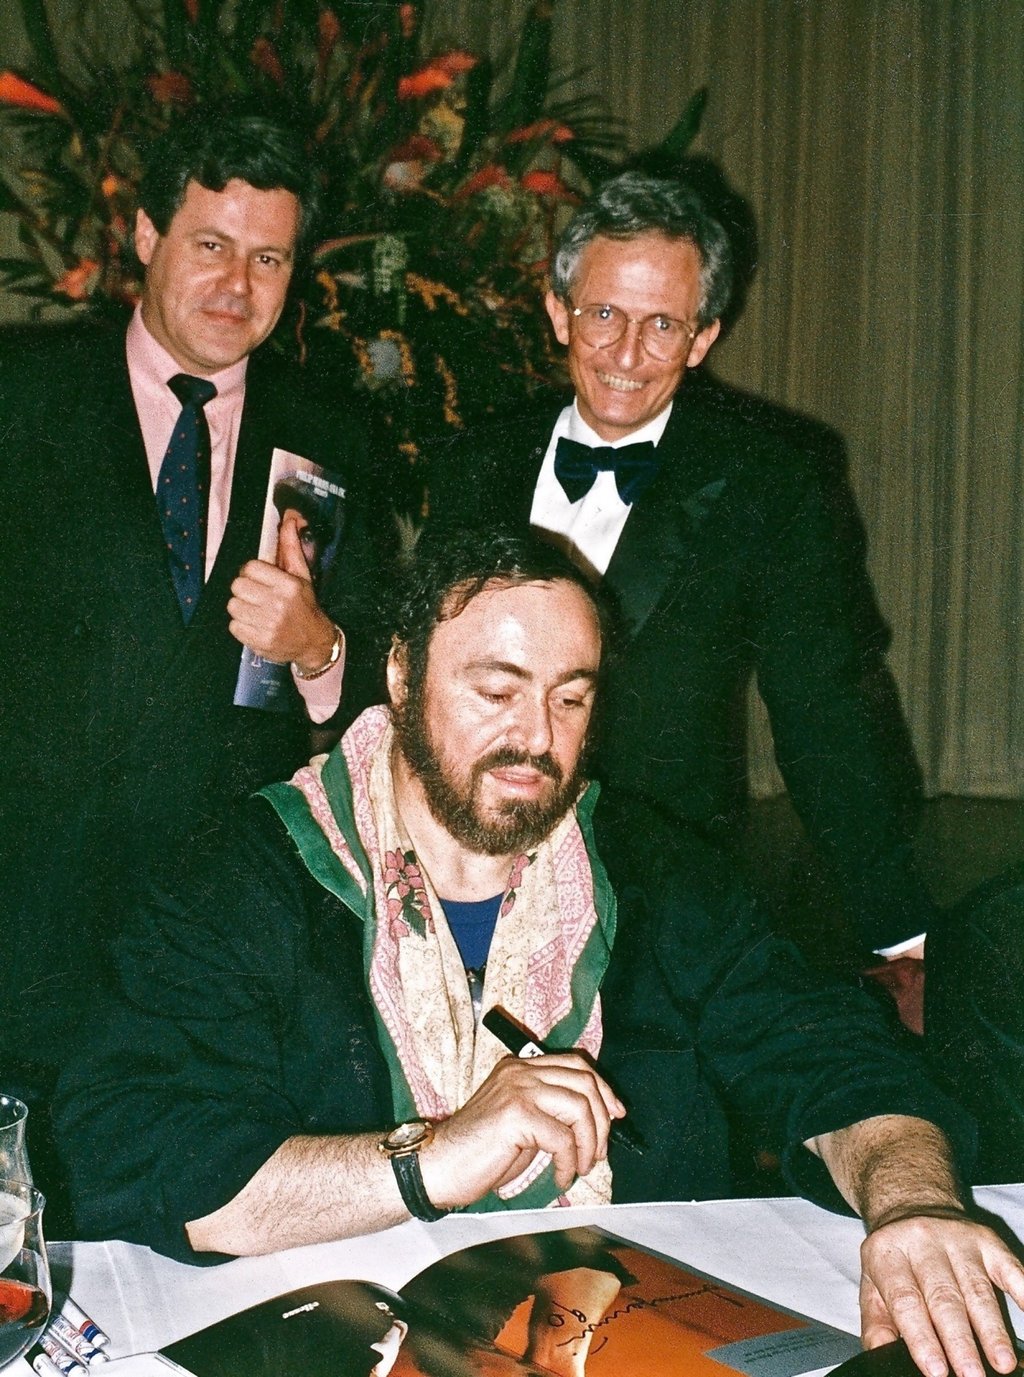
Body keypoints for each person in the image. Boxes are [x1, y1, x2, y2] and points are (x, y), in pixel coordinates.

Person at [55, 529, 1024, 1377]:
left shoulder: (652, 869)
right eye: (496, 689)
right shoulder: (246, 874)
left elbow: (835, 1055)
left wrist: (911, 1203)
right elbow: (131, 1148)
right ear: (400, 676)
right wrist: (429, 1158)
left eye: (570, 698)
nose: (536, 738)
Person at [0, 108, 378, 1176]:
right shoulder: (16, 395)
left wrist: (319, 648)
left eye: (268, 258)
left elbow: (390, 686)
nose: (236, 285)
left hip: (217, 932)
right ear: (142, 237)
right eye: (210, 245)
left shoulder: (331, 433)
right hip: (24, 915)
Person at [423, 169, 932, 959]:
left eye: (663, 324)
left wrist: (901, 932)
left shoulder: (774, 479)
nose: (627, 353)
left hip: (664, 902)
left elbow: (828, 712)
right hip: (468, 885)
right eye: (603, 314)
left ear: (703, 336)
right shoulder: (471, 463)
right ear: (558, 312)